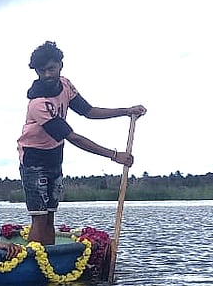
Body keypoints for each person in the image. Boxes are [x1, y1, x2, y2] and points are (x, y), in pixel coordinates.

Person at [18, 41, 146, 245]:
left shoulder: (66, 85)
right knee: (39, 218)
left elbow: (89, 111)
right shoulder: (39, 104)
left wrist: (126, 111)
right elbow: (73, 137)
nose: (48, 75)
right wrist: (114, 155)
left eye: (51, 68)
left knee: (50, 215)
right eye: (42, 71)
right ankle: (36, 262)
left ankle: (49, 259)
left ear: (61, 65)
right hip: (34, 160)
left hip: (54, 157)